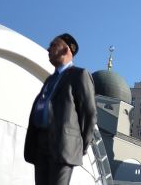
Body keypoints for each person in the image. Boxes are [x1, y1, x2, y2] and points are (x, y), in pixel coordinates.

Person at [24, 33, 97, 185]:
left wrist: (80, 145)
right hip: (41, 143)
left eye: (53, 45)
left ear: (66, 50)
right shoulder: (50, 80)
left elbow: (89, 113)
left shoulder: (79, 75)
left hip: (63, 145)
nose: (48, 49)